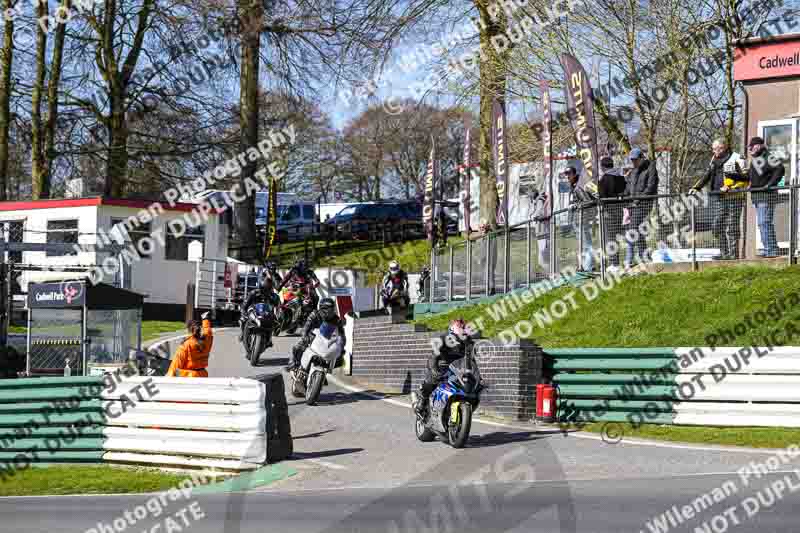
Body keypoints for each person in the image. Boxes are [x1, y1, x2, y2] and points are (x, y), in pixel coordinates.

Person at [692, 138, 748, 260]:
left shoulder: (737, 157)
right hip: (719, 197)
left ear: (725, 147)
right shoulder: (713, 159)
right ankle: (724, 253)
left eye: (718, 148)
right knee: (717, 225)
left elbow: (746, 178)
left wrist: (731, 187)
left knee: (732, 226)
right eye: (714, 149)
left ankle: (733, 255)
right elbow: (707, 174)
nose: (715, 151)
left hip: (734, 197)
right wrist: (697, 187)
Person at [413, 319, 473, 416]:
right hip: (441, 366)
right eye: (459, 327)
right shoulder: (444, 339)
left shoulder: (468, 344)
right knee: (432, 380)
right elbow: (434, 355)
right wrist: (434, 369)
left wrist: (474, 375)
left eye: (463, 327)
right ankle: (422, 402)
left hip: (456, 370)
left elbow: (471, 361)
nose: (462, 329)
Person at [747, 136, 785, 257]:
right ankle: (769, 248)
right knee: (763, 223)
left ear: (758, 146)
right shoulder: (756, 160)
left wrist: (770, 184)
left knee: (765, 222)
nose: (750, 150)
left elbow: (780, 169)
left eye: (751, 147)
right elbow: (749, 177)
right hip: (757, 197)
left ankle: (771, 250)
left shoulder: (768, 157)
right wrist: (733, 175)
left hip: (766, 196)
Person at [285, 297, 346, 371]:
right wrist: (305, 336)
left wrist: (341, 346)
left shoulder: (336, 319)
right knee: (298, 347)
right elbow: (306, 327)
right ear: (322, 309)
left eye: (332, 309)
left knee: (340, 357)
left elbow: (342, 335)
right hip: (312, 338)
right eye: (328, 309)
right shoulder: (314, 314)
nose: (331, 312)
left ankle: (326, 372)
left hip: (327, 341)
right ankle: (292, 364)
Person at [623, 148, 659, 268]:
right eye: (632, 160)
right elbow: (629, 186)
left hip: (644, 204)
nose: (633, 162)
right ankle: (645, 257)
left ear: (641, 158)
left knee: (632, 229)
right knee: (638, 230)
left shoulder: (651, 168)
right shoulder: (633, 171)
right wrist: (624, 197)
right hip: (632, 205)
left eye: (635, 160)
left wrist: (638, 199)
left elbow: (651, 187)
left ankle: (628, 260)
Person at [598, 156, 627, 270]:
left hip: (609, 211)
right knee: (615, 237)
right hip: (620, 210)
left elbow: (602, 195)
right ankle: (615, 262)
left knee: (610, 238)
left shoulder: (604, 178)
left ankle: (614, 263)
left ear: (603, 167)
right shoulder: (620, 177)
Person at [565, 166, 595, 272]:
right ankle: (583, 266)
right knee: (581, 245)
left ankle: (590, 266)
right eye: (566, 174)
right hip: (576, 219)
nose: (567, 176)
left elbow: (587, 201)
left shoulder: (578, 187)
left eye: (569, 174)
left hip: (582, 218)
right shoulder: (572, 186)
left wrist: (576, 206)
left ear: (574, 174)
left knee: (587, 244)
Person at [239, 270, 281, 346]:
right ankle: (243, 333)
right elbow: (245, 304)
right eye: (265, 285)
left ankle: (269, 339)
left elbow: (277, 307)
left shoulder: (274, 296)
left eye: (268, 285)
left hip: (266, 314)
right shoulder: (254, 293)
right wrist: (243, 312)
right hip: (254, 312)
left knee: (275, 324)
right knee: (243, 319)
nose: (266, 287)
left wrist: (277, 318)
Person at [167, 312, 213, 377]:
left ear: (188, 330)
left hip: (190, 377)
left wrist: (168, 379)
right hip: (203, 375)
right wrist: (205, 319)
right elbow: (208, 332)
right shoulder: (206, 341)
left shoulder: (186, 345)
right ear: (199, 329)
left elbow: (175, 365)